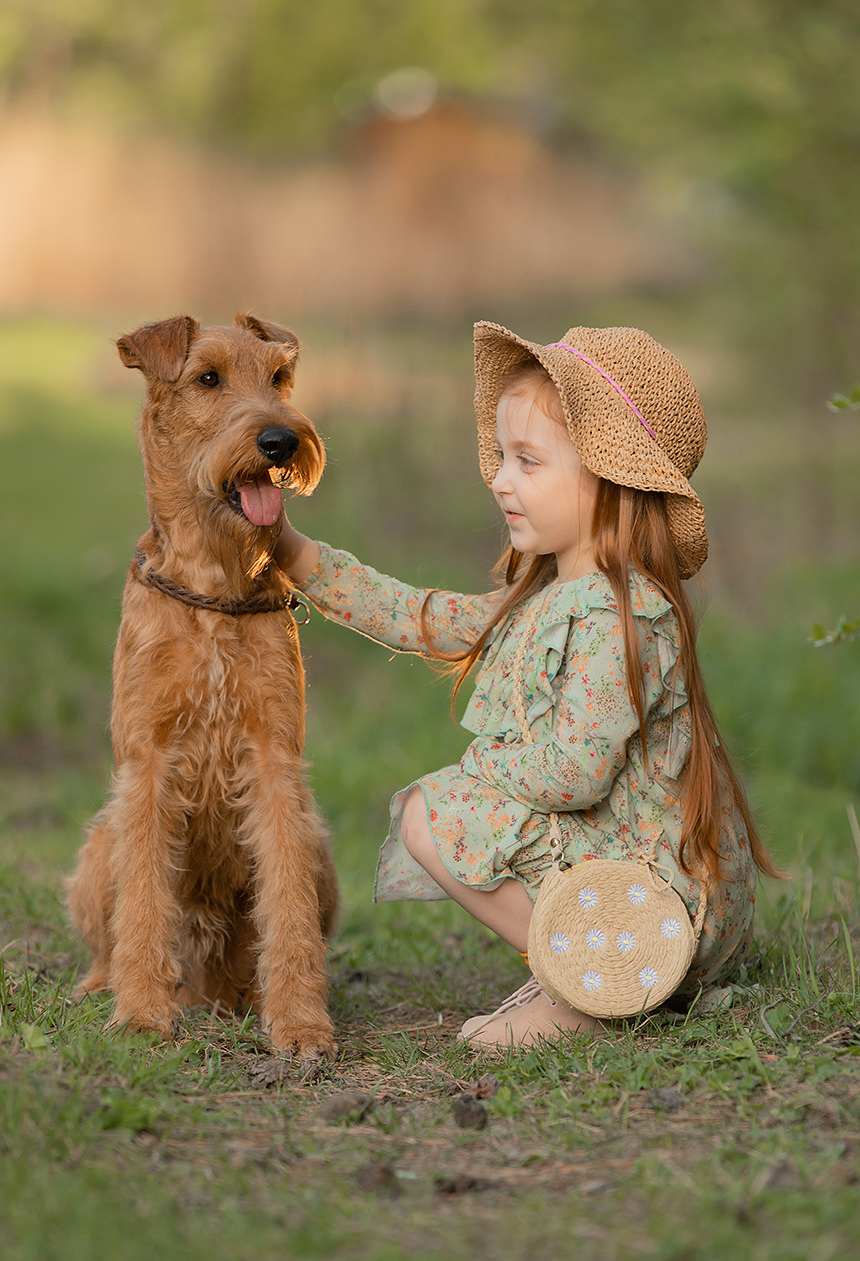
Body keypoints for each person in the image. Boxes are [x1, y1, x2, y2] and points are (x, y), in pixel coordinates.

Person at [274, 322, 777, 1049]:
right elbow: (424, 618)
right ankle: (578, 970)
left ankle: (592, 992)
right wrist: (301, 557)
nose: (500, 479)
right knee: (436, 808)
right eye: (503, 458)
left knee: (437, 811)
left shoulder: (622, 614)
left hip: (665, 914)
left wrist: (479, 766)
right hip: (634, 888)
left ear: (609, 480)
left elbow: (575, 773)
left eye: (528, 462)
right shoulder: (552, 596)